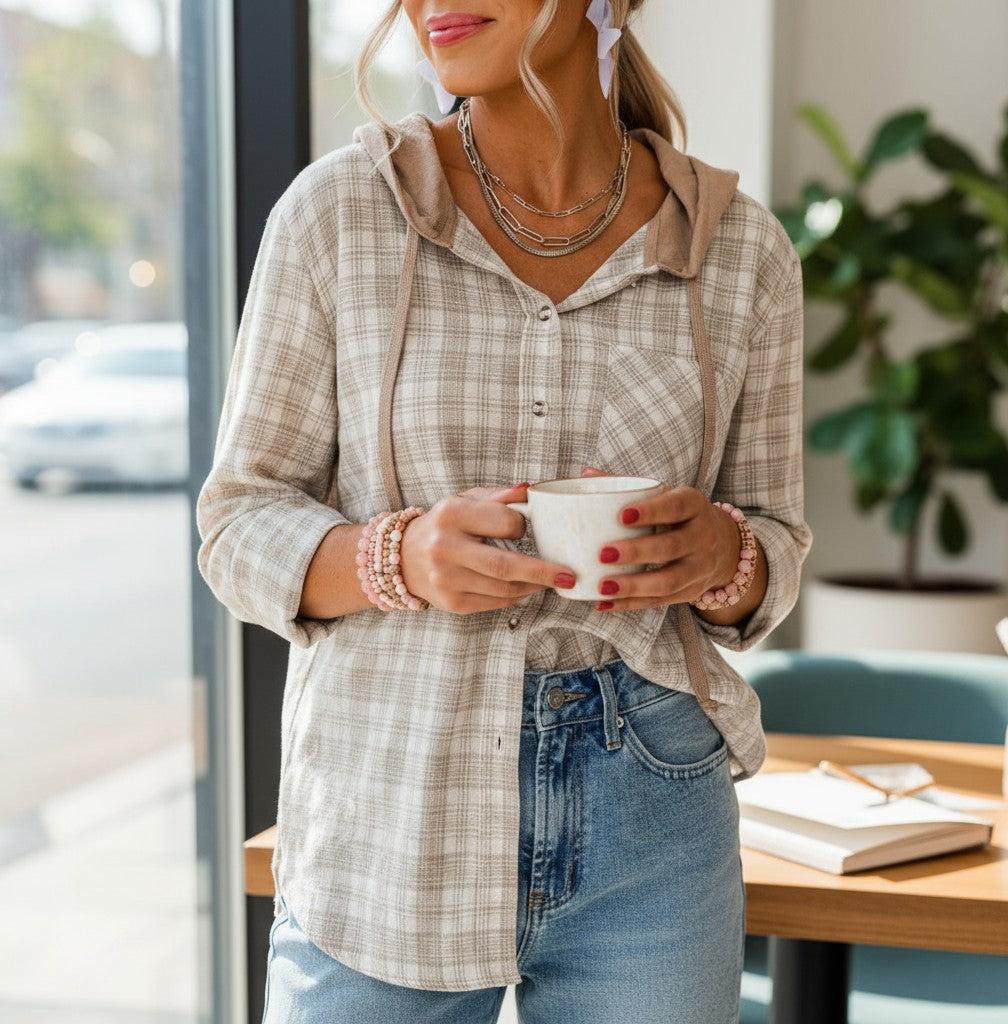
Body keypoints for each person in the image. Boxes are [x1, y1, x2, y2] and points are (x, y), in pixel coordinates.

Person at [196, 1, 811, 1021]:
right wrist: (401, 556)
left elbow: (772, 547)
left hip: (652, 794)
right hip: (388, 802)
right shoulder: (340, 213)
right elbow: (236, 523)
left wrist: (723, 555)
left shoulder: (739, 249)